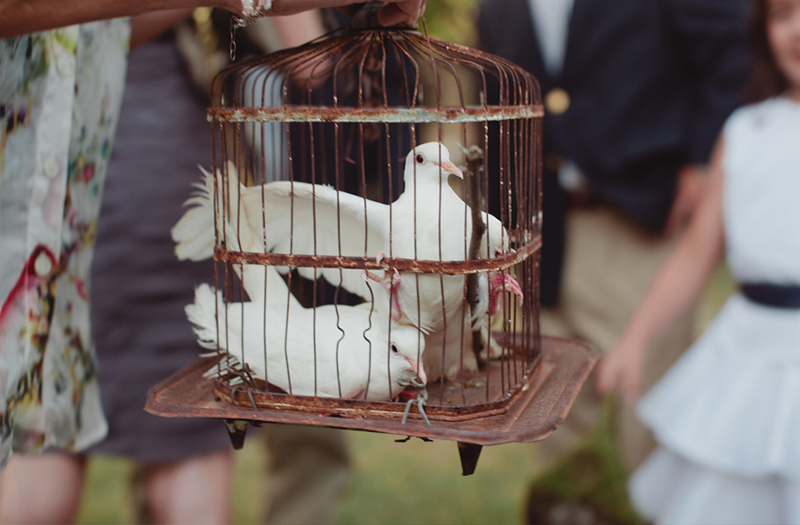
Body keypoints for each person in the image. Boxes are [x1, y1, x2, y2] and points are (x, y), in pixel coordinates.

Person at [0, 1, 425, 523]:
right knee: (182, 443)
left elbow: (98, 28)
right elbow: (314, 61)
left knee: (47, 438)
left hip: (56, 171)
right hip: (143, 162)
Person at [477, 0, 750, 474]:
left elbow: (732, 54)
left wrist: (705, 160)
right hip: (541, 232)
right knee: (556, 422)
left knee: (648, 419)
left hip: (638, 223)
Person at [596, 0, 800, 522]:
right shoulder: (745, 131)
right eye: (781, 15)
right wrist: (636, 337)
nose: (795, 30)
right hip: (749, 353)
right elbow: (693, 255)